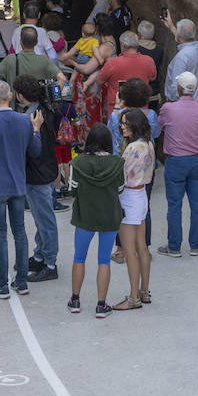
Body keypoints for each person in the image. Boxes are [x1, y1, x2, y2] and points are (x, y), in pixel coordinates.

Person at [0, 79, 43, 299]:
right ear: (11, 96)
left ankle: (1, 284)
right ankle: (21, 281)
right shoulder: (24, 120)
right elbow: (35, 151)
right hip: (18, 185)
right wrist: (36, 130)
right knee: (20, 233)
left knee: (0, 235)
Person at [67, 122, 123, 319]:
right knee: (104, 260)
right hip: (109, 216)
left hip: (85, 215)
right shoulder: (117, 163)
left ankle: (75, 300)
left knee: (79, 257)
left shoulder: (78, 163)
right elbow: (120, 189)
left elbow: (72, 189)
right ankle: (101, 304)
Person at [14, 74, 61, 284]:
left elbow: (30, 150)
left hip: (36, 175)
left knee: (44, 220)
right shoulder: (46, 108)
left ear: (20, 95)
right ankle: (40, 255)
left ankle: (50, 264)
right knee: (42, 217)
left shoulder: (29, 118)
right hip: (49, 169)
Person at [158, 71, 198, 258]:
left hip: (176, 160)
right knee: (197, 204)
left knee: (174, 205)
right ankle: (196, 244)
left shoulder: (168, 108)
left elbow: (161, 126)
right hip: (197, 160)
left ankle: (174, 246)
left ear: (178, 88)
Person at [113, 107, 154, 310]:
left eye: (125, 123)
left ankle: (133, 297)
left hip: (128, 198)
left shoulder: (132, 148)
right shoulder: (148, 144)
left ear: (134, 125)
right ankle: (144, 291)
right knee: (142, 246)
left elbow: (120, 172)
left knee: (130, 251)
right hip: (141, 195)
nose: (121, 127)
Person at [0, 25, 67, 87]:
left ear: (20, 42)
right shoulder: (44, 60)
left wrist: (4, 97)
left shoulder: (10, 59)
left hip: (16, 104)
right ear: (36, 42)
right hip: (39, 103)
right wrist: (53, 95)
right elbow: (62, 79)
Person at [163, 16, 198, 102]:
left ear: (179, 35)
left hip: (182, 103)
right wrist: (171, 26)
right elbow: (184, 39)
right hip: (197, 98)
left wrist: (171, 102)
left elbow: (176, 86)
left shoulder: (182, 57)